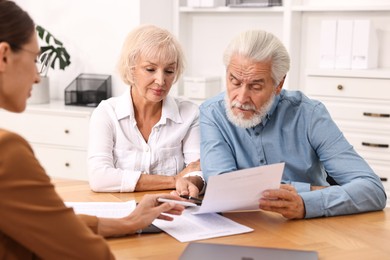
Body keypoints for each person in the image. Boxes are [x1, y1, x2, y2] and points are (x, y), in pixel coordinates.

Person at [0, 1, 185, 259]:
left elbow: (55, 224)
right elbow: (85, 250)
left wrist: (129, 222)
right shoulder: (7, 151)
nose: (37, 77)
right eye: (35, 59)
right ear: (4, 56)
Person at [199, 29, 387, 219]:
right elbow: (222, 188)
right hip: (245, 226)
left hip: (311, 230)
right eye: (235, 82)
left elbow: (373, 190)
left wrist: (305, 204)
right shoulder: (212, 113)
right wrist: (310, 190)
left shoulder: (309, 114)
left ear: (279, 84)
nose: (241, 98)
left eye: (255, 86)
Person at [88, 24, 204, 196]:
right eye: (150, 69)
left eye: (169, 71)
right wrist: (175, 180)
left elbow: (198, 170)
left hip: (172, 212)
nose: (161, 80)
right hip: (122, 213)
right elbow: (99, 178)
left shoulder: (190, 114)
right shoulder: (106, 113)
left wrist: (191, 181)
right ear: (131, 68)